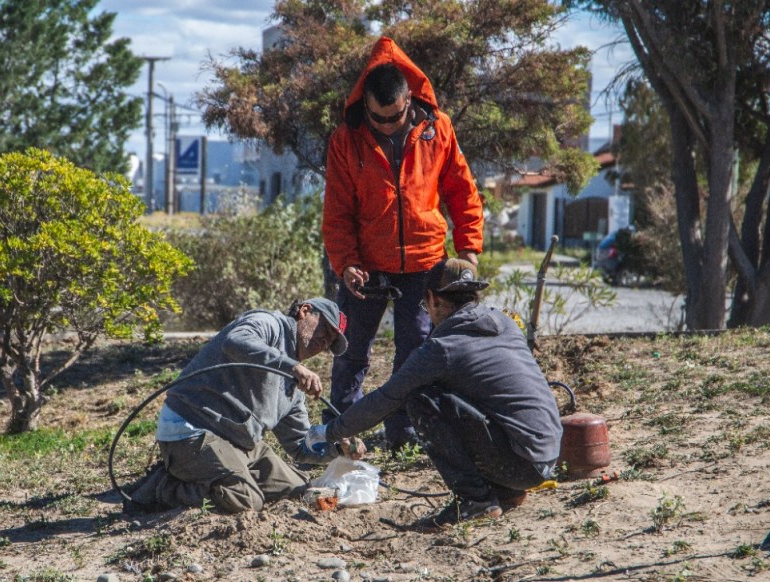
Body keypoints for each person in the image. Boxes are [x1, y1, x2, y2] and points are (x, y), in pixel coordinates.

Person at [309, 258, 562, 528]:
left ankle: (475, 500)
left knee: (421, 400)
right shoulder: (505, 323)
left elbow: (387, 398)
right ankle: (506, 491)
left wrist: (329, 431)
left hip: (519, 462)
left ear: (433, 299)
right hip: (546, 457)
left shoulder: (443, 348)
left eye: (424, 306)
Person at [322, 36, 484, 452]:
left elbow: (463, 192)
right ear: (366, 108)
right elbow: (337, 212)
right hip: (366, 268)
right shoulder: (345, 139)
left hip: (426, 264)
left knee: (416, 356)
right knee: (350, 351)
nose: (390, 124)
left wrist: (468, 251)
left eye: (397, 116)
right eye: (380, 119)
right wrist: (346, 263)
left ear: (409, 100)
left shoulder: (438, 128)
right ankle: (339, 433)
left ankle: (406, 434)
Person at [124, 297, 366, 514]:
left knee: (301, 489)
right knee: (246, 500)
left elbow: (300, 445)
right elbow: (235, 341)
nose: (323, 342)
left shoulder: (294, 388)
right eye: (324, 329)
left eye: (330, 342)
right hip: (192, 431)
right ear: (304, 311)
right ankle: (163, 488)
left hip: (239, 442)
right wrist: (291, 367)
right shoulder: (269, 324)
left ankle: (210, 474)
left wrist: (338, 447)